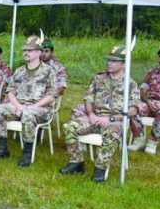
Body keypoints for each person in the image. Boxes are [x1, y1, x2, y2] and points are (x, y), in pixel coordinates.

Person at [60, 45, 140, 182]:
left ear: (123, 64)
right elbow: (88, 98)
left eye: (114, 61)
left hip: (114, 120)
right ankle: (76, 162)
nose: (109, 63)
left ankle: (100, 169)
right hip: (95, 117)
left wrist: (111, 118)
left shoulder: (130, 84)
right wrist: (91, 114)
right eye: (109, 60)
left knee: (112, 132)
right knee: (70, 127)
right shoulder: (98, 78)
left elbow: (134, 110)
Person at [0, 35, 56, 167]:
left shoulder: (48, 71)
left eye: (29, 51)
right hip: (19, 105)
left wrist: (32, 107)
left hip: (40, 108)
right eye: (25, 50)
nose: (26, 53)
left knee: (28, 114)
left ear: (38, 52)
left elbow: (51, 96)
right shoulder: (19, 71)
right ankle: (2, 148)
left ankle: (27, 153)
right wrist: (18, 106)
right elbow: (11, 91)